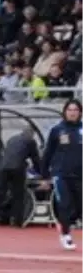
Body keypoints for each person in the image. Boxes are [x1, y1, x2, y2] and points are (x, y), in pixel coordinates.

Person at [42, 99, 83, 251]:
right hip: (61, 175)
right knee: (64, 204)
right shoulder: (57, 130)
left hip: (80, 175)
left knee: (79, 206)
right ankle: (66, 234)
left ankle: (66, 223)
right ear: (65, 112)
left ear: (80, 112)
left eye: (75, 110)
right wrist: (44, 175)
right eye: (70, 109)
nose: (72, 112)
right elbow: (48, 153)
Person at [0, 127, 40, 227]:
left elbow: (6, 153)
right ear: (32, 134)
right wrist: (42, 173)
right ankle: (17, 222)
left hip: (2, 168)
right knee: (18, 195)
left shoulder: (12, 139)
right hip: (17, 168)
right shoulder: (31, 141)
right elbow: (35, 159)